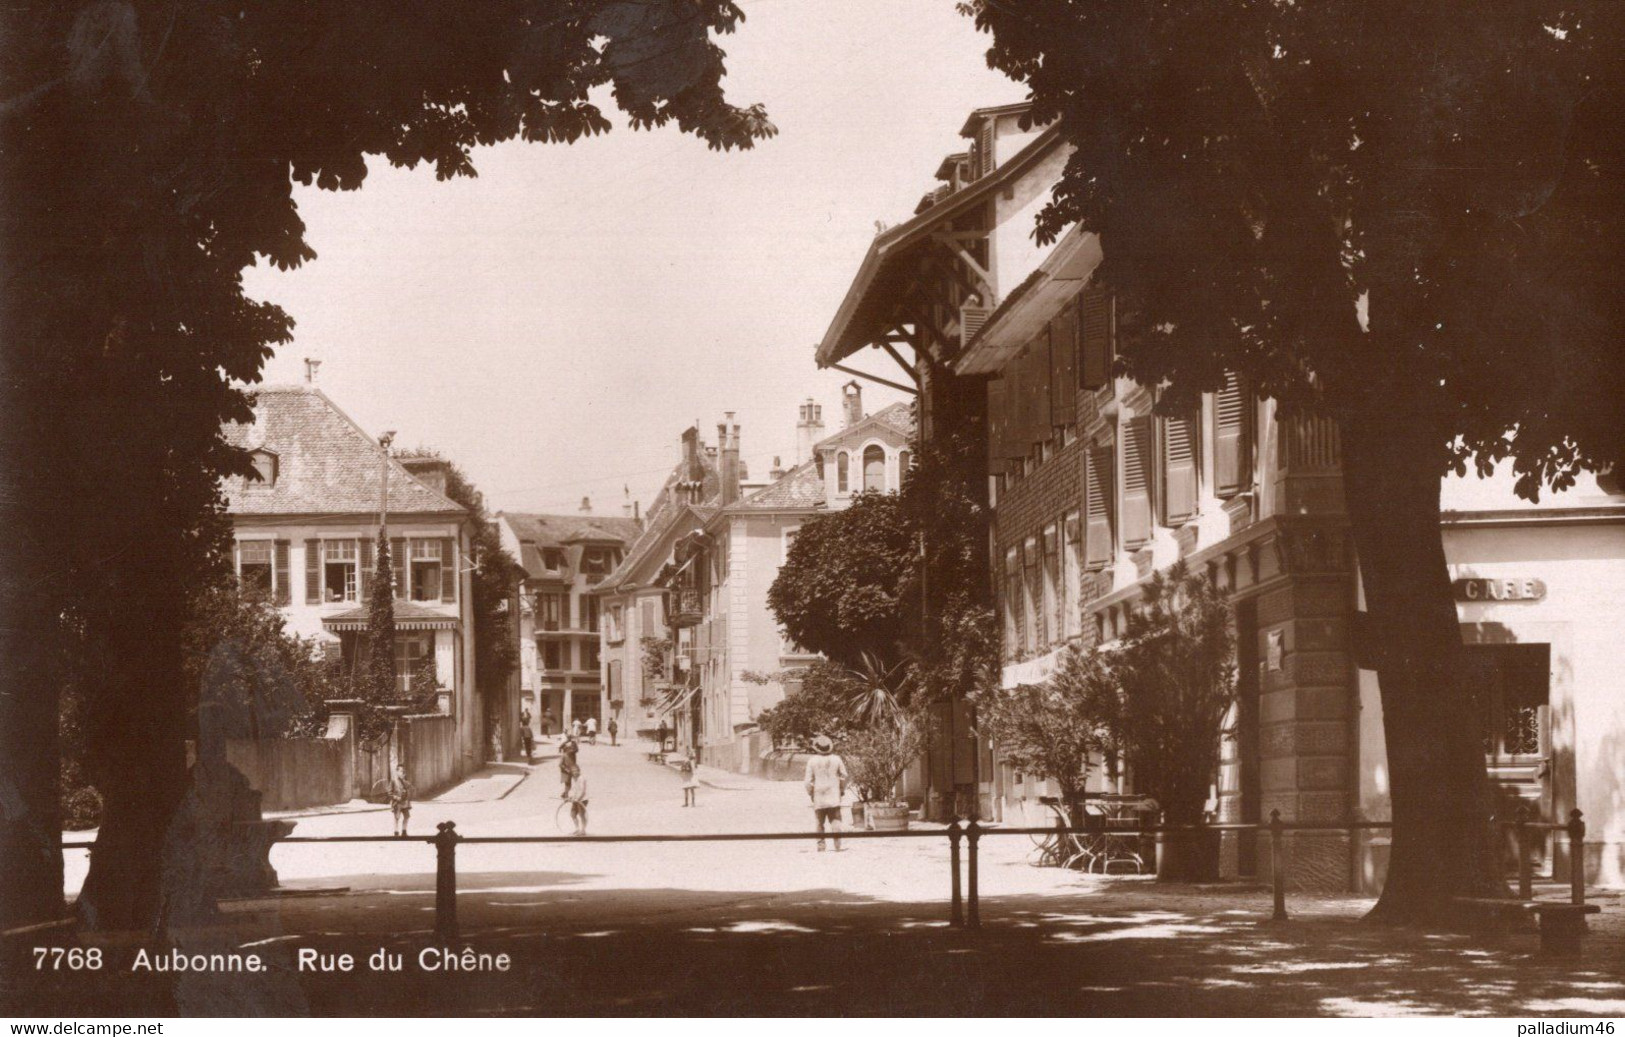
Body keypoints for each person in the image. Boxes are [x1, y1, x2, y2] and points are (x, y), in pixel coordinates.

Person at [803, 735, 848, 852]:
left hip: (819, 794)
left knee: (819, 822)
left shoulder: (812, 761)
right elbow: (844, 776)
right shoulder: (837, 759)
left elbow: (808, 781)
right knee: (836, 820)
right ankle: (837, 845)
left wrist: (811, 793)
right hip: (834, 794)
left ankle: (821, 845)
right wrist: (842, 789)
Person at [375, 764, 415, 838]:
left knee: (407, 816)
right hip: (397, 803)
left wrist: (409, 791)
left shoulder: (405, 782)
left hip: (405, 802)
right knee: (397, 817)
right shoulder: (393, 781)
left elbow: (411, 789)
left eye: (404, 771)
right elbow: (389, 793)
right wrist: (396, 797)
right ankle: (396, 832)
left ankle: (404, 831)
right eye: (401, 771)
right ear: (397, 772)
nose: (403, 773)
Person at [563, 766, 589, 835]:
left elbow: (583, 791)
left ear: (579, 771)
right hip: (575, 799)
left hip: (583, 799)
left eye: (576, 771)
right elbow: (573, 789)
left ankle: (583, 830)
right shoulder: (573, 778)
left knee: (581, 815)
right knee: (573, 814)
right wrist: (569, 797)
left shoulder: (582, 778)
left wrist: (578, 798)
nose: (574, 772)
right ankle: (577, 829)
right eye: (573, 771)